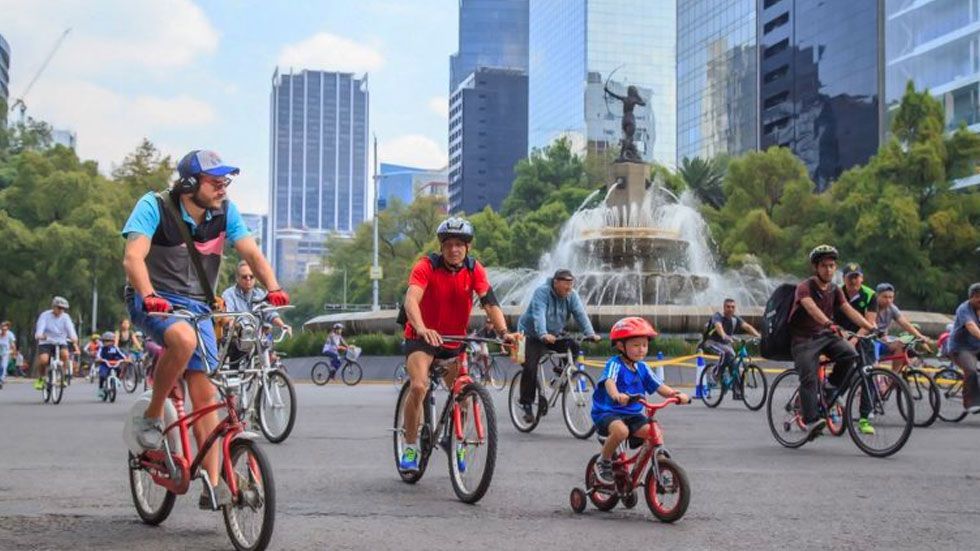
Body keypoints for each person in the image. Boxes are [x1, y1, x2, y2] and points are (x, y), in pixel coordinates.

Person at [122, 149, 288, 508]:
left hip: (198, 306)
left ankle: (214, 485)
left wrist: (273, 288)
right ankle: (152, 417)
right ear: (188, 184)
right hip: (155, 299)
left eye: (225, 181)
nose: (223, 188)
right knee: (182, 337)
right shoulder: (154, 206)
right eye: (215, 182)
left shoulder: (225, 212)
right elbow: (133, 257)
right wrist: (148, 294)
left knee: (206, 395)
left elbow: (252, 255)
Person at [398, 216, 518, 473]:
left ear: (468, 247)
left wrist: (504, 332)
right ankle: (409, 445)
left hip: (454, 339)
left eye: (460, 244)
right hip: (422, 338)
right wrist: (421, 327)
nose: (454, 249)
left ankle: (457, 442)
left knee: (462, 395)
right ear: (442, 247)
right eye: (449, 244)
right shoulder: (426, 266)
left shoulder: (475, 269)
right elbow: (411, 300)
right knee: (419, 386)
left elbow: (491, 304)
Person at [789, 245, 878, 438]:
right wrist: (829, 323)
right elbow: (812, 309)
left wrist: (870, 327)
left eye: (831, 266)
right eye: (824, 266)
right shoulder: (805, 287)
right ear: (816, 267)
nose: (828, 270)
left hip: (824, 336)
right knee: (809, 377)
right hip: (804, 339)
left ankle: (830, 388)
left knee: (850, 354)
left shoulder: (835, 290)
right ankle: (811, 420)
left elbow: (849, 310)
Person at [590, 317, 689, 485]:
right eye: (636, 345)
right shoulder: (615, 364)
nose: (641, 349)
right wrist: (616, 395)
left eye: (645, 345)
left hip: (633, 413)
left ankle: (660, 465)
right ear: (621, 346)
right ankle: (603, 461)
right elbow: (609, 381)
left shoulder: (643, 367)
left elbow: (659, 386)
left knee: (654, 431)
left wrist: (676, 394)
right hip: (608, 412)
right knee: (621, 432)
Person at [516, 269, 600, 423]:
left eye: (571, 283)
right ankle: (526, 403)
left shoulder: (571, 295)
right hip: (531, 334)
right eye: (566, 284)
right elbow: (538, 314)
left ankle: (558, 377)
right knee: (530, 366)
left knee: (573, 346)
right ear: (556, 282)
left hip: (553, 335)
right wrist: (542, 333)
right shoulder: (542, 292)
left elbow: (580, 314)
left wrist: (590, 333)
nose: (569, 287)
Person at [700, 298, 761, 398]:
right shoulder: (718, 316)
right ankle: (714, 376)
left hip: (725, 345)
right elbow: (718, 326)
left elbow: (747, 327)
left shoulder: (735, 319)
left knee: (735, 364)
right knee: (725, 354)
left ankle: (737, 392)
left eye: (733, 307)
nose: (730, 309)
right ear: (724, 307)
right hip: (712, 342)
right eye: (728, 307)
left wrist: (758, 335)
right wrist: (724, 335)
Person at [873, 282, 934, 370]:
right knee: (874, 362)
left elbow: (904, 323)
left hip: (883, 340)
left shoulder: (892, 308)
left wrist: (919, 336)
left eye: (891, 297)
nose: (888, 300)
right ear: (877, 296)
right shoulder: (872, 306)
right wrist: (879, 335)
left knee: (901, 344)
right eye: (885, 297)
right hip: (871, 340)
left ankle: (894, 377)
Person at [221, 260, 292, 333]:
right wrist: (233, 324)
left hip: (257, 339)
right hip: (236, 338)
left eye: (251, 276)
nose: (248, 279)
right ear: (237, 278)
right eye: (244, 277)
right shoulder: (229, 294)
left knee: (268, 342)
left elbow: (270, 313)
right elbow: (228, 315)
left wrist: (282, 325)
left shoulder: (260, 294)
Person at [33, 296, 80, 391]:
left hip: (61, 342)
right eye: (59, 308)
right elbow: (40, 329)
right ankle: (41, 379)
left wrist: (74, 338)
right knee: (44, 360)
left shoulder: (66, 317)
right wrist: (40, 335)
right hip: (46, 341)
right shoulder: (45, 315)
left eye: (63, 309)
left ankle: (62, 376)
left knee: (65, 355)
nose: (61, 310)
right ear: (53, 307)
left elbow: (71, 330)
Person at [947, 283, 980, 414]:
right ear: (971, 297)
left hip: (977, 347)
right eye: (978, 297)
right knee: (971, 370)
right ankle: (970, 402)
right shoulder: (964, 309)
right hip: (960, 349)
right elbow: (972, 327)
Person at [834, 263, 878, 354]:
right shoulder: (835, 292)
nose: (853, 281)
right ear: (843, 279)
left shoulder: (870, 294)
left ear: (862, 278)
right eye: (850, 277)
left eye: (856, 277)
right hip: (838, 334)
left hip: (861, 335)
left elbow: (869, 322)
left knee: (868, 363)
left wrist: (854, 340)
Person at [96, 331, 127, 400]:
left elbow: (120, 354)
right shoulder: (102, 348)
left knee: (119, 369)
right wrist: (99, 359)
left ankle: (118, 380)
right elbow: (98, 355)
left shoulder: (114, 348)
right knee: (102, 375)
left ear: (113, 341)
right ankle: (100, 389)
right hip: (105, 364)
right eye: (105, 341)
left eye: (108, 341)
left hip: (114, 364)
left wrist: (125, 359)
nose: (106, 343)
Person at [0, 321, 16, 388]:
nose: (4, 331)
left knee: (4, 366)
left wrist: (14, 353)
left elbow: (13, 344)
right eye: (2, 329)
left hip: (5, 352)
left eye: (5, 329)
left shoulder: (10, 334)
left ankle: (1, 380)